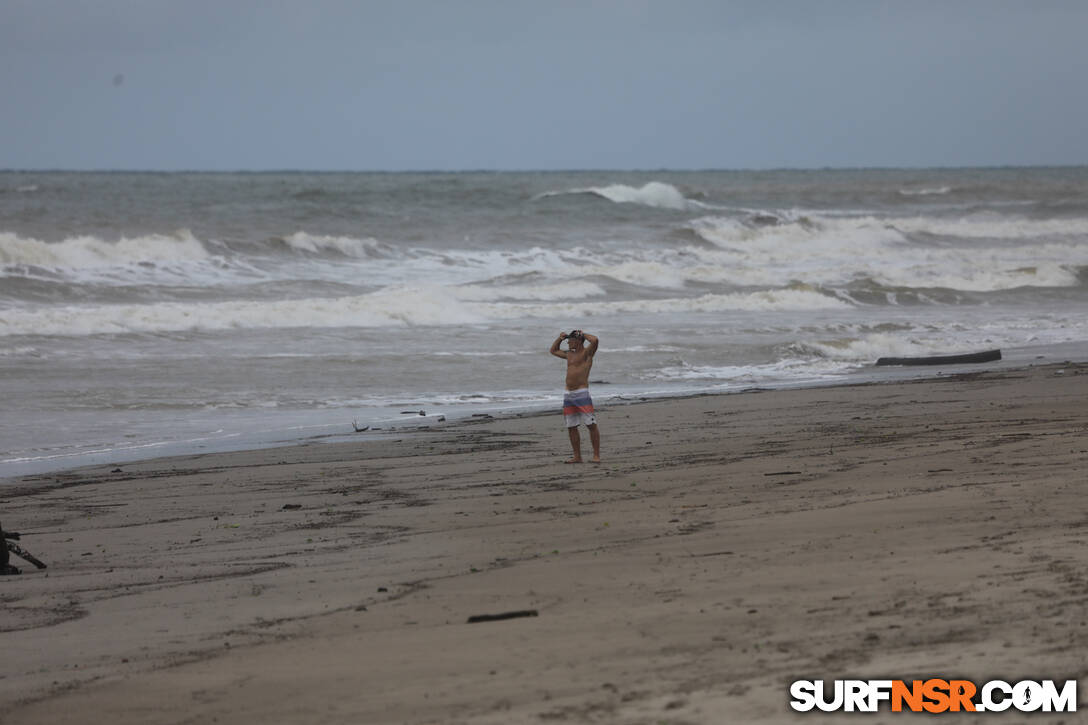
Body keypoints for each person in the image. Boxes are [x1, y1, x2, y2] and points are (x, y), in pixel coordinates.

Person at [550, 329, 601, 463]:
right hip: (568, 394)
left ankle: (596, 455)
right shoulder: (569, 355)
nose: (568, 343)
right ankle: (577, 456)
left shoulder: (587, 353)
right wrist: (560, 338)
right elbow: (553, 350)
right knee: (571, 426)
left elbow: (595, 340)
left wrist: (582, 334)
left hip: (582, 393)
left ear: (577, 341)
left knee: (591, 424)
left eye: (570, 341)